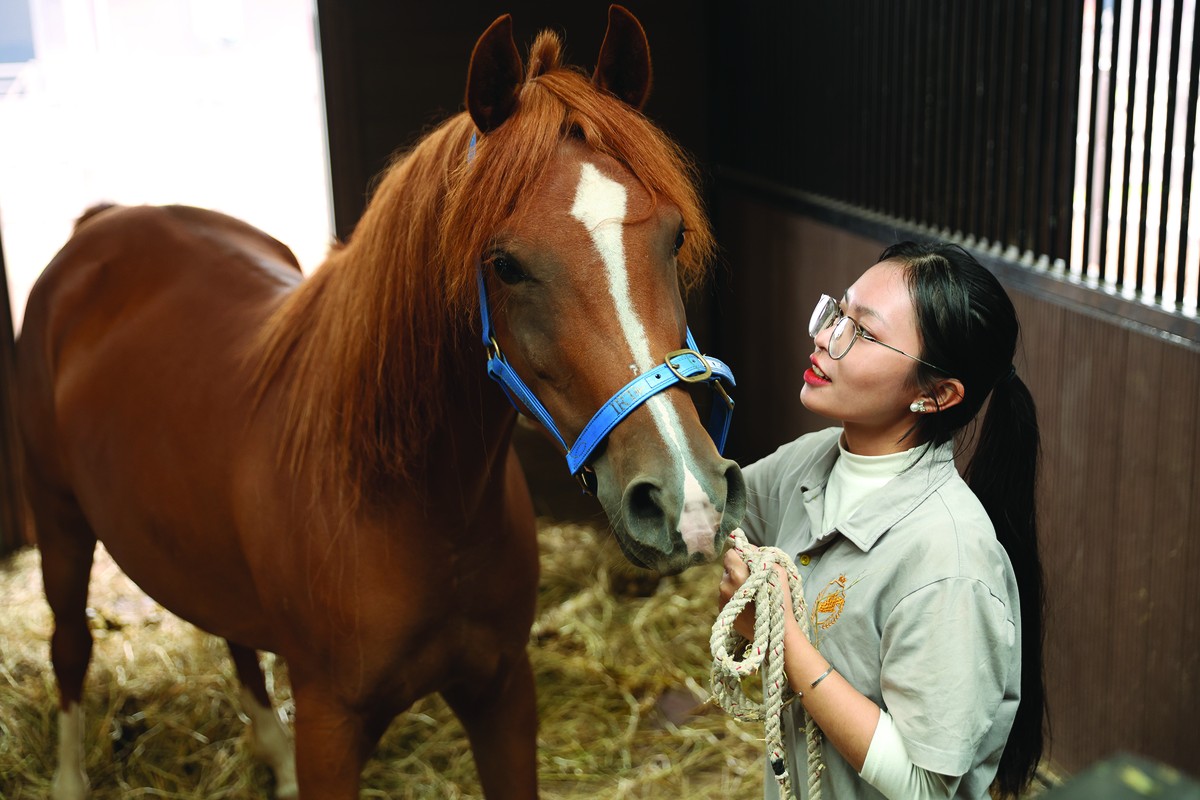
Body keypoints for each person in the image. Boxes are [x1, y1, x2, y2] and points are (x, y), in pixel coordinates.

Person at [718, 241, 1045, 800]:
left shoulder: (950, 560)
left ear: (936, 394)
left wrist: (783, 645)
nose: (824, 337)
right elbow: (713, 514)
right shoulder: (812, 459)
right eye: (838, 313)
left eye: (862, 333)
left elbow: (925, 785)